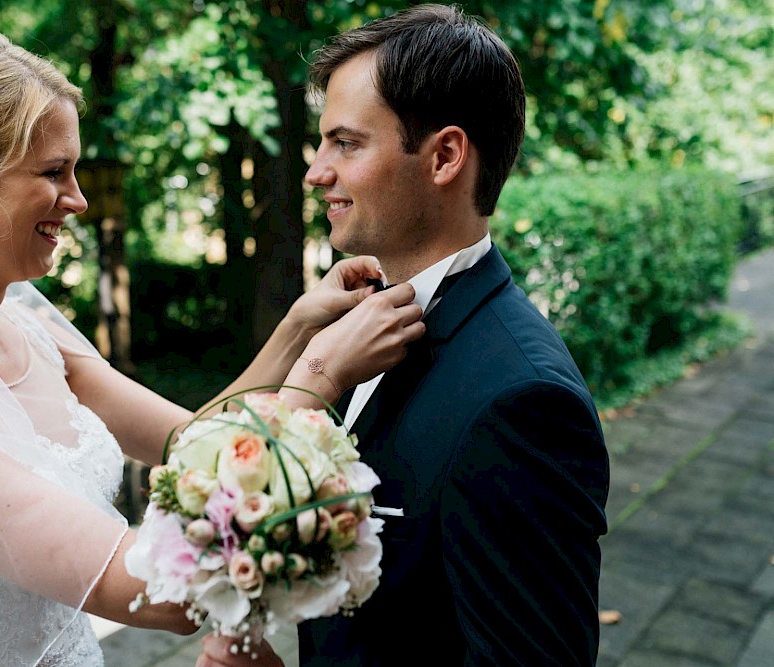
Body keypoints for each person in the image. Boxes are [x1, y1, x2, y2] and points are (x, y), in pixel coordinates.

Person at [0, 16, 427, 666]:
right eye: (54, 172)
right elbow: (165, 593)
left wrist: (299, 325)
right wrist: (316, 376)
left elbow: (193, 444)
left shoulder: (30, 327)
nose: (78, 199)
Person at [198, 5, 610, 666]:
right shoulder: (358, 328)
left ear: (444, 156)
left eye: (345, 142)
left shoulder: (521, 401)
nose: (315, 171)